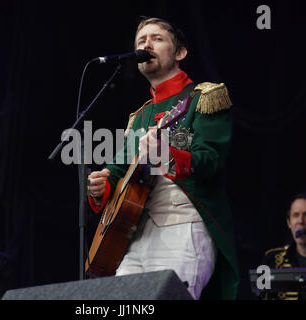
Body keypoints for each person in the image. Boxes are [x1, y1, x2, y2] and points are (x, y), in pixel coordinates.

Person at [87, 17, 239, 300]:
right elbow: (117, 171)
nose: (146, 44)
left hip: (182, 226)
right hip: (134, 234)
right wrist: (101, 185)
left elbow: (210, 160)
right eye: (141, 41)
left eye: (157, 38)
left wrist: (165, 153)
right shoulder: (139, 116)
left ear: (179, 53)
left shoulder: (203, 98)